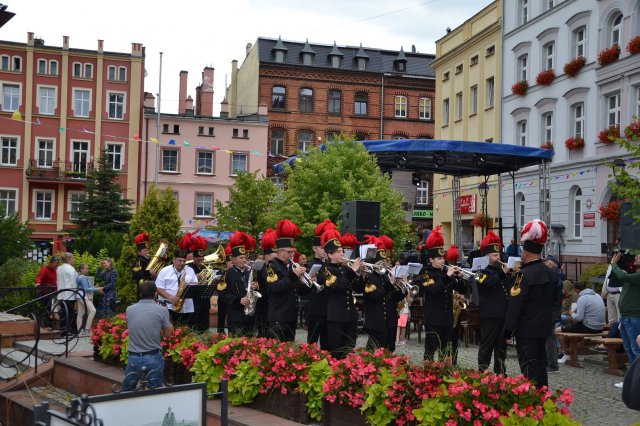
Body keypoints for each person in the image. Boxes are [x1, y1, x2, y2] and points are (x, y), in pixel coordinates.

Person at [503, 219, 557, 389]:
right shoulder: (551, 274)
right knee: (541, 366)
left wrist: (507, 331)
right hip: (544, 328)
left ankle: (532, 402)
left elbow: (515, 305)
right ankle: (544, 397)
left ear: (525, 253)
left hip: (526, 331)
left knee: (528, 367)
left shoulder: (523, 276)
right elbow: (555, 303)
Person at [419, 226, 467, 362]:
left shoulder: (445, 273)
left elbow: (462, 289)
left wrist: (460, 277)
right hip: (433, 319)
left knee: (445, 350)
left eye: (442, 258)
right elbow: (434, 290)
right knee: (430, 349)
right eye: (439, 258)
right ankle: (426, 376)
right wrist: (447, 276)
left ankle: (444, 373)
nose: (442, 261)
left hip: (447, 319)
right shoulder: (426, 273)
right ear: (431, 260)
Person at [316, 228, 363, 359]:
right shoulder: (325, 270)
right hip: (336, 317)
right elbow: (338, 286)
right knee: (336, 352)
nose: (342, 254)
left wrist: (362, 274)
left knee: (349, 349)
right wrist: (353, 271)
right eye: (338, 252)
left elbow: (359, 288)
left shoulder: (346, 268)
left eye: (342, 251)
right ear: (330, 255)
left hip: (350, 316)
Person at [122, 281, 173, 392]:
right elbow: (167, 334)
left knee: (126, 391)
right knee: (156, 392)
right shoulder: (162, 310)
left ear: (140, 294)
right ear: (155, 294)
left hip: (133, 356)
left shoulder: (129, 309)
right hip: (153, 356)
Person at [362, 236, 405, 352]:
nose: (384, 265)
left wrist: (403, 287)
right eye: (381, 263)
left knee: (389, 351)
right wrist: (390, 284)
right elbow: (375, 295)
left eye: (385, 262)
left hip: (390, 321)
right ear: (375, 264)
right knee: (374, 352)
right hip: (376, 322)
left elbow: (396, 298)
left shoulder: (387, 276)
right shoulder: (369, 277)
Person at [476, 232, 511, 375]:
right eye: (495, 255)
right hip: (489, 316)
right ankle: (482, 371)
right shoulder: (480, 272)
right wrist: (503, 273)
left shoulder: (500, 272)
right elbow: (489, 283)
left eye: (499, 255)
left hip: (502, 315)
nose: (499, 258)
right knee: (486, 346)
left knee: (501, 348)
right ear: (487, 256)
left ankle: (501, 373)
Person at [265, 219, 306, 342]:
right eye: (289, 252)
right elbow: (276, 287)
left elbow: (298, 291)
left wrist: (306, 283)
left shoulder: (290, 266)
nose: (291, 255)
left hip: (291, 317)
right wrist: (294, 276)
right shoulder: (271, 266)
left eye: (292, 252)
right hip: (278, 317)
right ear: (280, 251)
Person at [217, 231, 257, 336]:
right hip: (235, 315)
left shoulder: (250, 272)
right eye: (241, 258)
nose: (244, 260)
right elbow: (222, 293)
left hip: (250, 315)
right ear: (233, 259)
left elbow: (255, 289)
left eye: (245, 258)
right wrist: (238, 300)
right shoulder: (227, 273)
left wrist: (256, 287)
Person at [554, 280, 605, 363]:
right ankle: (569, 352)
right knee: (566, 328)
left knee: (557, 330)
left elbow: (578, 318)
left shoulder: (582, 298)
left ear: (577, 289)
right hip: (600, 327)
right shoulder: (597, 295)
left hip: (589, 327)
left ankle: (567, 355)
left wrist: (572, 313)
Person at [610, 251, 640, 388]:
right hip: (626, 317)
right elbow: (619, 277)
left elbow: (622, 275)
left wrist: (614, 265)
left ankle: (636, 380)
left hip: (634, 317)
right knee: (628, 348)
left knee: (635, 349)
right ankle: (631, 379)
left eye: (639, 257)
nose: (636, 258)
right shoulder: (633, 274)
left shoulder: (637, 276)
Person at [155, 237, 198, 326]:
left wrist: (189, 285)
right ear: (174, 260)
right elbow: (159, 288)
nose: (182, 263)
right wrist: (169, 297)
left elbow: (196, 284)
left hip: (187, 307)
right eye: (179, 261)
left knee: (186, 331)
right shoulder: (164, 271)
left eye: (183, 261)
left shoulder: (189, 270)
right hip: (169, 307)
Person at [305, 219, 334, 350]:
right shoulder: (310, 265)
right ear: (314, 249)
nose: (324, 250)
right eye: (321, 248)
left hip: (329, 309)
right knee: (312, 342)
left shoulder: (330, 265)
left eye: (325, 248)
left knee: (327, 343)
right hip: (316, 309)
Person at [543, 255, 564, 373]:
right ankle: (551, 364)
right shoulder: (556, 275)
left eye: (545, 262)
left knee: (548, 337)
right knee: (548, 337)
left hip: (551, 310)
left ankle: (552, 365)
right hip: (553, 310)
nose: (543, 264)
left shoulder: (554, 276)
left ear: (550, 263)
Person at [255, 228, 277, 338]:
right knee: (263, 331)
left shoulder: (277, 267)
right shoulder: (260, 268)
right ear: (267, 256)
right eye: (274, 253)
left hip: (274, 304)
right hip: (263, 303)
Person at [188, 235, 212, 332]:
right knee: (195, 323)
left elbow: (207, 282)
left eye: (202, 259)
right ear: (194, 258)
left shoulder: (204, 268)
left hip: (204, 299)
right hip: (194, 300)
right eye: (198, 259)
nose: (201, 261)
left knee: (205, 323)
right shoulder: (189, 268)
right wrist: (195, 278)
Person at [75, 263, 103, 335]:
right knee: (93, 310)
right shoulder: (82, 277)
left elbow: (86, 287)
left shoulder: (79, 276)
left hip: (79, 296)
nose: (88, 270)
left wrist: (95, 288)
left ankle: (79, 330)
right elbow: (87, 289)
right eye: (86, 268)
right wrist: (97, 289)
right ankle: (87, 329)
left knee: (80, 314)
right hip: (83, 296)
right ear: (81, 269)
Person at [56, 252, 78, 333]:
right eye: (72, 258)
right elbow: (74, 283)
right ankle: (70, 329)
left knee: (63, 311)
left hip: (61, 293)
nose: (73, 260)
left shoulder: (59, 268)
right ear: (68, 259)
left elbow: (57, 281)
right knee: (70, 312)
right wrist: (77, 293)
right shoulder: (71, 269)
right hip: (70, 294)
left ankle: (63, 329)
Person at [35, 255, 59, 326]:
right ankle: (48, 323)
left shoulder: (55, 270)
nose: (56, 266)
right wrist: (38, 283)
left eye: (57, 265)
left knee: (55, 307)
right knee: (49, 307)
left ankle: (52, 323)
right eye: (55, 265)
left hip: (54, 292)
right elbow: (39, 277)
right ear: (50, 263)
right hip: (46, 293)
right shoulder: (44, 269)